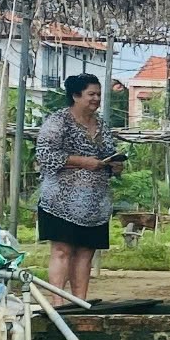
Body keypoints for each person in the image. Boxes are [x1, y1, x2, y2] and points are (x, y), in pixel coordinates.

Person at [35, 74, 123, 301]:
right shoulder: (58, 122)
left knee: (85, 253)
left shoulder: (101, 125)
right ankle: (58, 303)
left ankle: (79, 302)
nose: (96, 99)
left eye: (98, 94)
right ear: (75, 95)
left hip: (95, 205)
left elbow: (108, 152)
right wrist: (83, 161)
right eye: (91, 94)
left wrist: (114, 164)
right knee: (62, 250)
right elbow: (45, 155)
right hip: (60, 203)